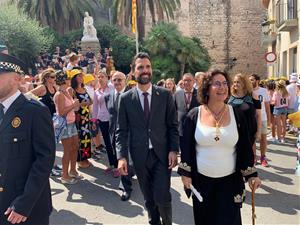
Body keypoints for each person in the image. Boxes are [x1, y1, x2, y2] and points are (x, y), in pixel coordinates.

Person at [178, 69, 261, 225]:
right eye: (217, 84)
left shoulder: (237, 115)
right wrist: (185, 174)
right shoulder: (194, 115)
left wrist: (251, 175)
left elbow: (244, 147)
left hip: (230, 183)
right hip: (202, 183)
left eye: (224, 83)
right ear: (207, 88)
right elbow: (186, 147)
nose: (222, 87)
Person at [116, 52, 179, 225]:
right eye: (140, 67)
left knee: (162, 196)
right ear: (133, 71)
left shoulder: (165, 95)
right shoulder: (125, 98)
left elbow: (173, 126)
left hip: (162, 155)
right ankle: (154, 222)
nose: (145, 70)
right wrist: (121, 157)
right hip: (139, 156)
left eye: (148, 67)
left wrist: (174, 149)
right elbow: (121, 130)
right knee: (149, 197)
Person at [0, 53, 55, 224]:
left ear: (16, 79)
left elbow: (44, 161)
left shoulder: (35, 111)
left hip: (25, 208)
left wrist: (24, 203)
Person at [105, 71, 134, 200]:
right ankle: (129, 173)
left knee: (124, 158)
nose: (117, 82)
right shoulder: (108, 96)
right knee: (121, 158)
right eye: (114, 80)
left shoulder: (132, 96)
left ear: (125, 81)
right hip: (114, 133)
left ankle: (125, 187)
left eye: (119, 80)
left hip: (128, 133)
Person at [53, 71, 82, 184]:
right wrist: (73, 105)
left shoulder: (66, 92)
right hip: (65, 125)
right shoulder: (59, 94)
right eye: (68, 78)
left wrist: (75, 106)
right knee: (67, 150)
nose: (70, 80)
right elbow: (61, 113)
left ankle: (73, 171)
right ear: (64, 80)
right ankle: (64, 175)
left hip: (71, 123)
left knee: (75, 147)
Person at [92, 70, 119, 177]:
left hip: (113, 119)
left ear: (107, 78)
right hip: (102, 119)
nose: (101, 78)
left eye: (102, 76)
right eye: (99, 77)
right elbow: (94, 107)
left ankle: (118, 166)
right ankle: (112, 164)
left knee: (115, 143)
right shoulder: (96, 91)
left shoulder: (112, 87)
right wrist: (94, 120)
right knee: (107, 143)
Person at [228, 73, 261, 147]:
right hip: (233, 128)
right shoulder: (229, 96)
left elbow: (258, 115)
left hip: (249, 129)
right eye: (234, 82)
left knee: (247, 153)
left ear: (244, 83)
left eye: (238, 82)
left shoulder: (252, 95)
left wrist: (258, 131)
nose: (235, 84)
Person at [70, 69, 93, 168]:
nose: (81, 78)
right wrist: (83, 103)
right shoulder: (73, 90)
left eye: (81, 76)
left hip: (86, 117)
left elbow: (91, 101)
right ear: (74, 78)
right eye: (79, 76)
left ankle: (85, 157)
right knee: (80, 138)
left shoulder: (85, 89)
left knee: (87, 138)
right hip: (79, 117)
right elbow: (72, 105)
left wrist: (88, 103)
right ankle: (80, 160)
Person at [250, 74, 271, 167]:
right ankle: (254, 157)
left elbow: (267, 107)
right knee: (252, 140)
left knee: (263, 139)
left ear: (257, 80)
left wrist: (269, 119)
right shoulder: (247, 91)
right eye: (249, 80)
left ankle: (263, 157)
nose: (250, 82)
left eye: (252, 80)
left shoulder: (264, 91)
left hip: (262, 118)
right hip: (251, 119)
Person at [174, 73, 200, 151]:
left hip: (196, 130)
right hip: (181, 130)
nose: (187, 82)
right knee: (184, 154)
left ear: (194, 81)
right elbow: (174, 111)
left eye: (189, 80)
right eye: (185, 80)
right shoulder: (177, 94)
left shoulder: (199, 94)